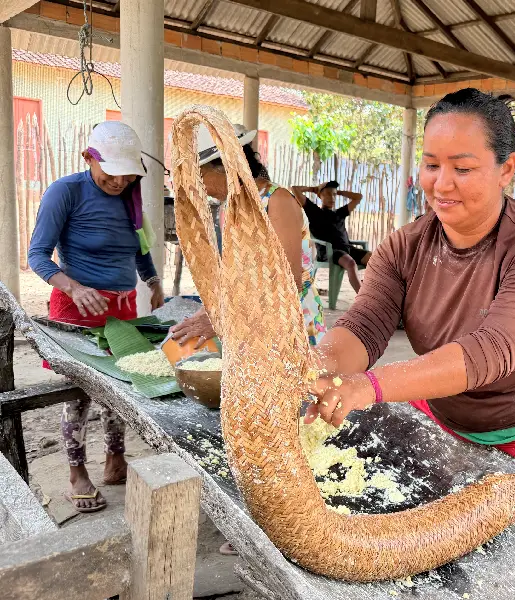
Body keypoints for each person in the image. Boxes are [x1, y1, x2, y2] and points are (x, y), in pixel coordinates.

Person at [301, 88, 515, 464]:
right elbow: (365, 325)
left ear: (506, 169)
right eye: (431, 165)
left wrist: (368, 386)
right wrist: (316, 368)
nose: (442, 184)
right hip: (438, 407)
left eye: (463, 169)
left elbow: (494, 349)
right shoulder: (404, 246)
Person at [28, 121, 165, 513]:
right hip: (77, 308)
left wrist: (152, 281)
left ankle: (114, 460)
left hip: (122, 309)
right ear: (88, 157)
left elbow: (138, 248)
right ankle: (76, 472)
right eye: (111, 172)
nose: (119, 181)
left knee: (119, 388)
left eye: (127, 173)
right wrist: (73, 287)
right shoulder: (66, 192)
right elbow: (38, 255)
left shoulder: (130, 196)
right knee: (79, 394)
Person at [170, 124, 327, 350]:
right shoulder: (231, 207)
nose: (199, 187)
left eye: (200, 176)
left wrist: (223, 320)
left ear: (226, 166)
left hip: (291, 326)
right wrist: (209, 311)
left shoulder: (277, 201)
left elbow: (288, 282)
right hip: (252, 326)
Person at [292, 181, 370, 293]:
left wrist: (339, 192)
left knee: (374, 259)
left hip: (348, 249)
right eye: (328, 194)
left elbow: (358, 197)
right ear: (320, 196)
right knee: (351, 263)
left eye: (334, 194)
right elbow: (295, 189)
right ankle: (363, 297)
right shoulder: (314, 211)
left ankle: (368, 287)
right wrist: (313, 189)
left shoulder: (340, 213)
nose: (332, 197)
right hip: (330, 252)